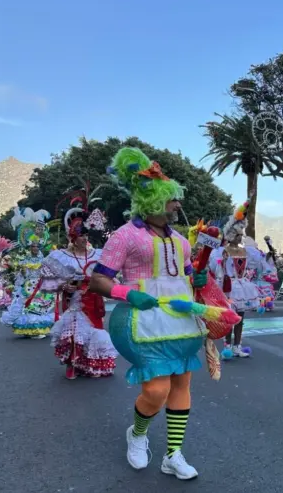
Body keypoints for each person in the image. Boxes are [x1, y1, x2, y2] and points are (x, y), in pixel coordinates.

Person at [89, 147, 210, 480]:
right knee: (156, 391)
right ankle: (138, 433)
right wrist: (128, 293)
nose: (178, 204)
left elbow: (187, 276)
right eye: (172, 199)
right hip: (141, 323)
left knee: (181, 383)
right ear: (153, 199)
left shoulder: (181, 241)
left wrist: (198, 280)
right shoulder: (125, 236)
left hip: (181, 322)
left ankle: (173, 454)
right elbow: (98, 280)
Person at [42, 197, 117, 379]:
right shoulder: (61, 257)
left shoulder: (97, 255)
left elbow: (108, 275)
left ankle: (91, 364)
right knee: (74, 332)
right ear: (73, 238)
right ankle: (73, 365)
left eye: (86, 236)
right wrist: (64, 285)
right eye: (81, 236)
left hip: (93, 299)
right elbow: (49, 282)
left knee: (94, 331)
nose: (85, 239)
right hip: (74, 300)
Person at [210, 197, 259, 359]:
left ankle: (237, 346)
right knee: (229, 319)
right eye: (238, 235)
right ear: (231, 235)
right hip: (229, 288)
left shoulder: (246, 251)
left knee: (240, 319)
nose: (240, 237)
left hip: (242, 287)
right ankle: (227, 347)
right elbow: (218, 271)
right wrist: (223, 262)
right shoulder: (221, 252)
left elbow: (252, 267)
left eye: (241, 235)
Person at [1, 209, 56, 339]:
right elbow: (20, 274)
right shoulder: (24, 259)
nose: (35, 248)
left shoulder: (44, 259)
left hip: (40, 286)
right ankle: (29, 329)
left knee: (39, 307)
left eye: (37, 246)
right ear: (29, 247)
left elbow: (48, 272)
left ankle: (38, 329)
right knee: (27, 307)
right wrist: (21, 271)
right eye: (33, 246)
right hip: (28, 287)